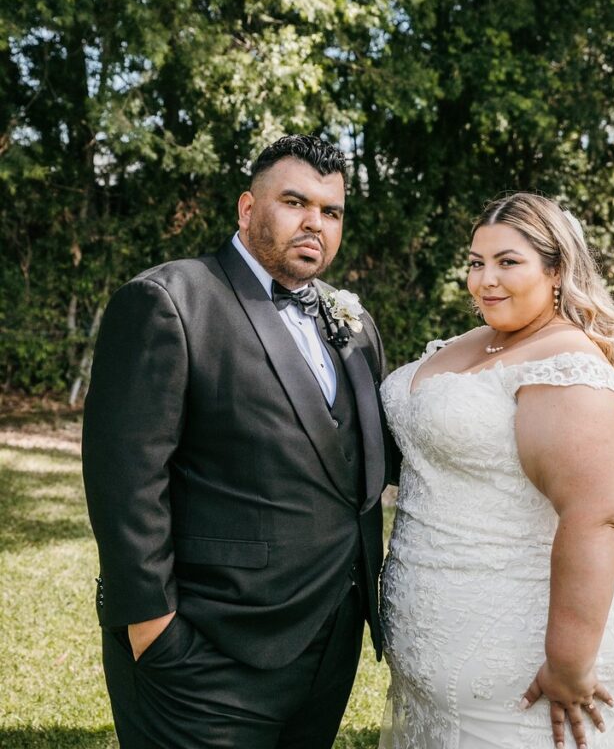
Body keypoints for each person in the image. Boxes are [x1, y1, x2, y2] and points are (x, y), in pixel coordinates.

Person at [82, 134, 398, 749]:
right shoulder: (169, 301)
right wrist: (154, 628)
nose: (315, 223)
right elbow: (125, 480)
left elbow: (362, 459)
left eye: (331, 211)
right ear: (247, 209)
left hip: (329, 645)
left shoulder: (353, 322)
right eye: (294, 202)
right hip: (204, 651)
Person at [379, 192, 614, 749]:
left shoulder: (567, 363)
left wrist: (568, 661)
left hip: (525, 651)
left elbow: (597, 513)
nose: (485, 280)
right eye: (477, 262)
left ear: (556, 270)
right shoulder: (479, 342)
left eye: (508, 262)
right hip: (445, 637)